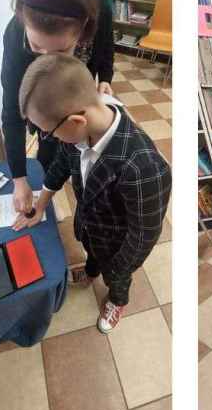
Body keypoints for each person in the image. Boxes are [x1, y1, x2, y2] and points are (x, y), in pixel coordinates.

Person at [13, 53, 171, 333]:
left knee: (116, 279)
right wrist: (42, 202)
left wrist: (120, 268)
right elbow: (62, 164)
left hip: (119, 247)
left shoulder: (143, 167)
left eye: (48, 133)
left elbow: (144, 234)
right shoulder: (78, 133)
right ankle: (91, 269)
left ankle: (117, 300)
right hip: (91, 229)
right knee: (92, 256)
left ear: (76, 120)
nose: (49, 139)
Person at [0, 0, 115, 217]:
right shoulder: (15, 35)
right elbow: (11, 111)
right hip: (49, 106)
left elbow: (107, 47)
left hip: (80, 95)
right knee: (51, 151)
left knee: (85, 151)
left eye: (61, 50)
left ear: (84, 28)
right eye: (37, 47)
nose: (48, 59)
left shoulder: (100, 7)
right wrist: (19, 178)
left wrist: (105, 77)